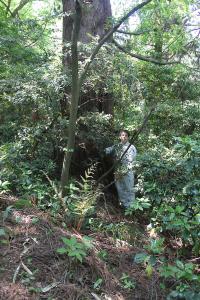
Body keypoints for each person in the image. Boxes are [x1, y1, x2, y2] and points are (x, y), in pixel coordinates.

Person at [105, 130, 137, 208]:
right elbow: (107, 151)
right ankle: (123, 205)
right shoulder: (117, 146)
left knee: (129, 188)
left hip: (127, 171)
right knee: (120, 188)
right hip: (118, 171)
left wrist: (126, 169)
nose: (124, 137)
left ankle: (131, 208)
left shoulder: (131, 147)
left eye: (126, 135)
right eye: (122, 135)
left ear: (128, 137)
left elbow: (132, 160)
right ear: (120, 137)